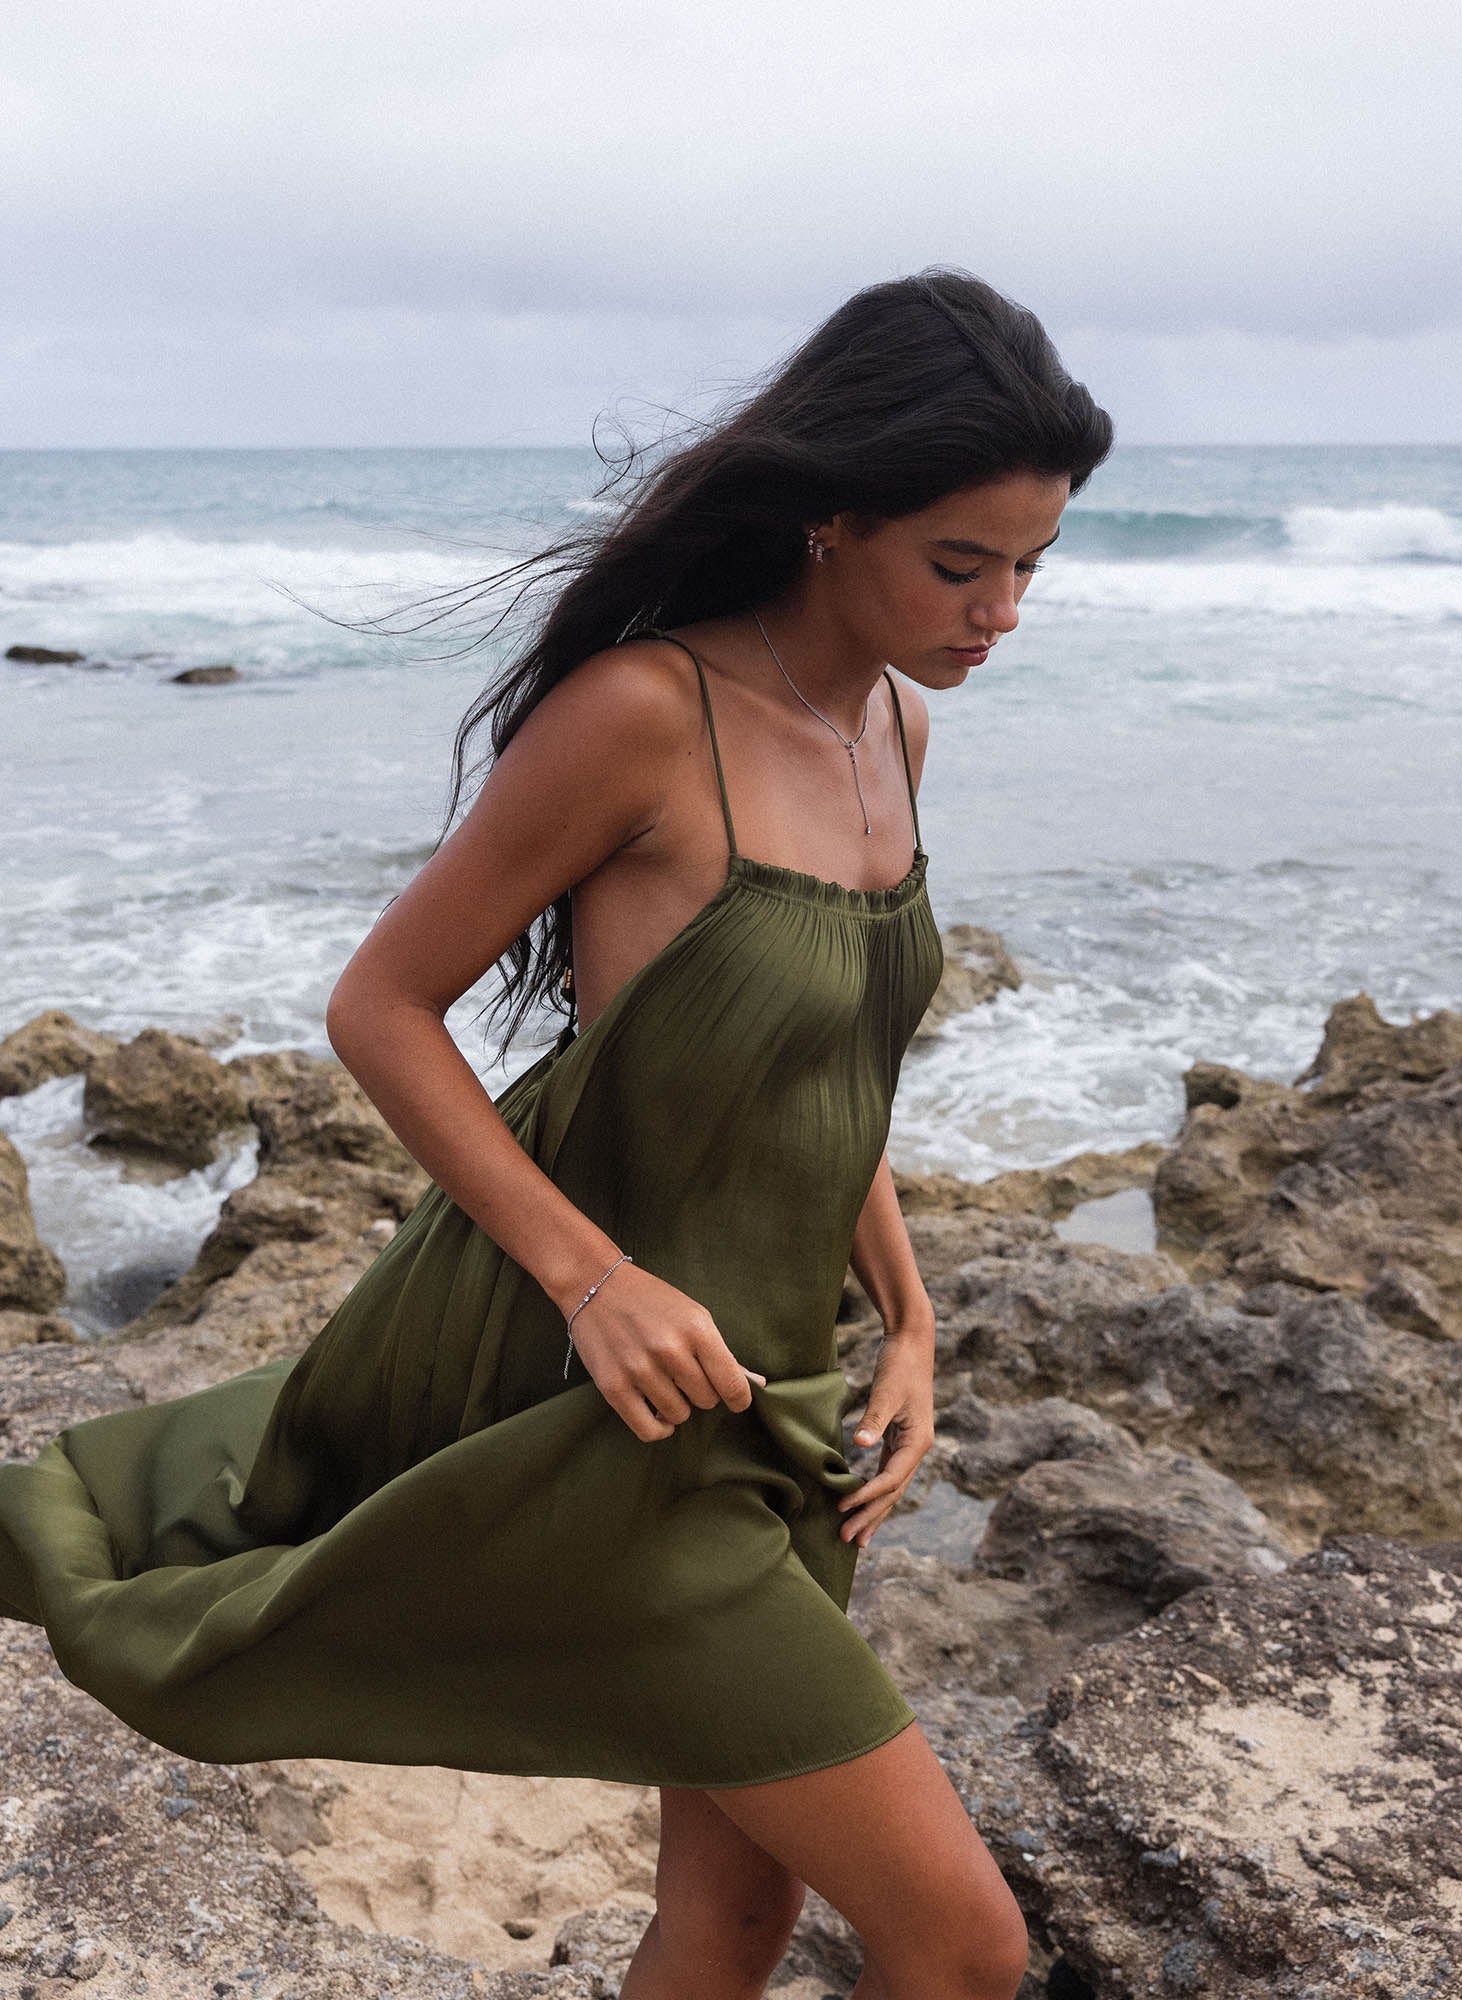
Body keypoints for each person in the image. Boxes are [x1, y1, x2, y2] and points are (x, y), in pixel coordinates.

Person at [0, 265, 1112, 2000]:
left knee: (732, 1920)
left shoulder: (892, 716)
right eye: (960, 564)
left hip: (776, 1407)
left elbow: (822, 1081)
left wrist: (909, 1319)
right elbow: (380, 1006)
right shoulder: (647, 719)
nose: (1004, 613)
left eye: (1033, 563)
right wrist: (593, 1284)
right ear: (830, 521)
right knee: (961, 1946)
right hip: (622, 1430)